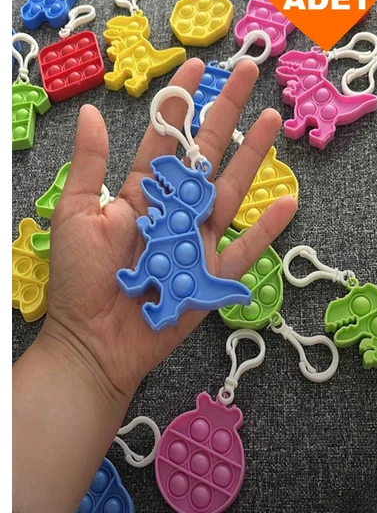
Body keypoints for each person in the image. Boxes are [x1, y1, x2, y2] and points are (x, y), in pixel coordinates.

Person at [12, 59, 297, 512]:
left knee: (167, 276)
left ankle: (162, 304)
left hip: (178, 269)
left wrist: (78, 359)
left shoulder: (186, 210)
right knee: (153, 265)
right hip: (162, 261)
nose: (174, 183)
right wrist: (77, 352)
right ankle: (149, 290)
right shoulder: (171, 205)